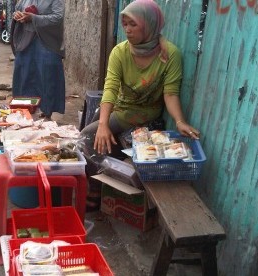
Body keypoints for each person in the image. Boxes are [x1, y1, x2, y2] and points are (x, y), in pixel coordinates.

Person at [80, 0, 200, 211]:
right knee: (88, 136)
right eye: (124, 23)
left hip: (147, 117)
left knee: (129, 154)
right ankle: (95, 190)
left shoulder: (170, 55)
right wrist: (103, 124)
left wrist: (180, 121)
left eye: (133, 24)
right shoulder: (120, 52)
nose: (127, 29)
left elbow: (170, 94)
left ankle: (113, 192)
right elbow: (110, 89)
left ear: (150, 24)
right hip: (121, 110)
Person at [11, 0, 65, 120]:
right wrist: (17, 15)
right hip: (26, 43)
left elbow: (58, 18)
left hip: (46, 44)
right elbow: (16, 11)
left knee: (47, 77)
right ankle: (24, 110)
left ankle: (47, 111)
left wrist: (34, 18)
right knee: (24, 77)